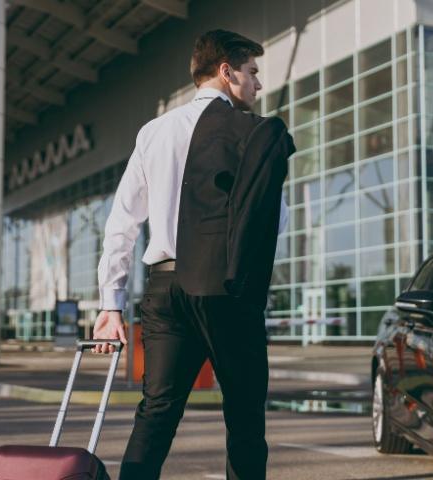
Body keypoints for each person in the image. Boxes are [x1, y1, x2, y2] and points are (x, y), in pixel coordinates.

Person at [92, 29, 296, 480]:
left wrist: (111, 303)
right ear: (226, 72)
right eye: (252, 73)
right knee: (243, 414)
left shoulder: (154, 131)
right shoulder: (255, 135)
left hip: (164, 289)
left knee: (157, 411)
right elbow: (277, 222)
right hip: (226, 287)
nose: (258, 85)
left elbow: (123, 221)